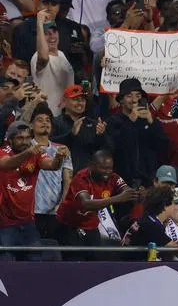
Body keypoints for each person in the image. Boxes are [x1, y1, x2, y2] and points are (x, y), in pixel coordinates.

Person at [0, 120, 69, 257]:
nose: (25, 142)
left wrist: (59, 157)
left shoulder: (35, 154)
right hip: (4, 224)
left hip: (28, 222)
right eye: (20, 138)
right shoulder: (3, 152)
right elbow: (6, 164)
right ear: (10, 140)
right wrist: (28, 153)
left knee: (35, 263)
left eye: (27, 138)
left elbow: (52, 165)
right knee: (6, 264)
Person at [55, 149, 136, 253]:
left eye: (110, 168)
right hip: (68, 225)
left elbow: (127, 191)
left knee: (94, 260)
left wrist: (137, 194)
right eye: (103, 168)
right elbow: (86, 204)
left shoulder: (113, 177)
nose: (107, 172)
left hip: (91, 225)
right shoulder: (81, 178)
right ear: (92, 165)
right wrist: (118, 198)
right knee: (73, 261)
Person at [107, 79, 168, 188]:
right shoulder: (113, 121)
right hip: (123, 183)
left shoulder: (150, 121)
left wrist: (151, 122)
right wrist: (131, 120)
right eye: (129, 96)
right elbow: (115, 147)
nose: (134, 100)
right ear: (121, 100)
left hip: (148, 182)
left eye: (138, 96)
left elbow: (163, 148)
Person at [30, 102, 72, 242]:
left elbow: (67, 180)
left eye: (48, 120)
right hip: (30, 211)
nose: (45, 123)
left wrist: (63, 203)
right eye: (39, 120)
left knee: (53, 252)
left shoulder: (62, 149)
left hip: (55, 210)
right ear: (31, 125)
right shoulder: (26, 148)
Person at [120, 184, 178, 260]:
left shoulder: (148, 217)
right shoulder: (152, 226)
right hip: (131, 267)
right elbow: (176, 250)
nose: (175, 207)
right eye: (174, 203)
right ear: (165, 206)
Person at [31, 9, 74, 116]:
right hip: (49, 116)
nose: (52, 36)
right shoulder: (37, 56)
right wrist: (39, 24)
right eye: (46, 33)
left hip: (65, 117)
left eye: (54, 31)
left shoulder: (61, 55)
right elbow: (44, 58)